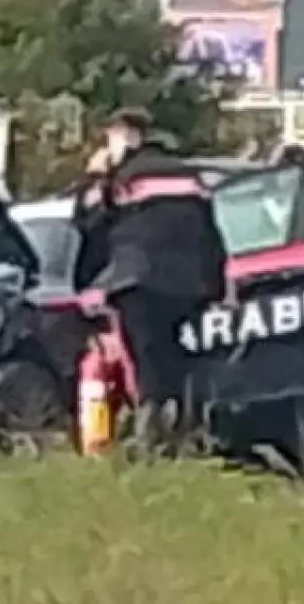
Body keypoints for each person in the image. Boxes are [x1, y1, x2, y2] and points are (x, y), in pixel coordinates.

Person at [72, 108, 229, 441]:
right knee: (177, 355)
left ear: (123, 137)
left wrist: (94, 176)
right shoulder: (187, 175)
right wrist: (217, 288)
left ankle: (153, 432)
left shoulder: (121, 178)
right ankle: (182, 426)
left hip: (139, 282)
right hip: (190, 285)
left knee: (147, 361)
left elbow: (88, 222)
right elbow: (211, 235)